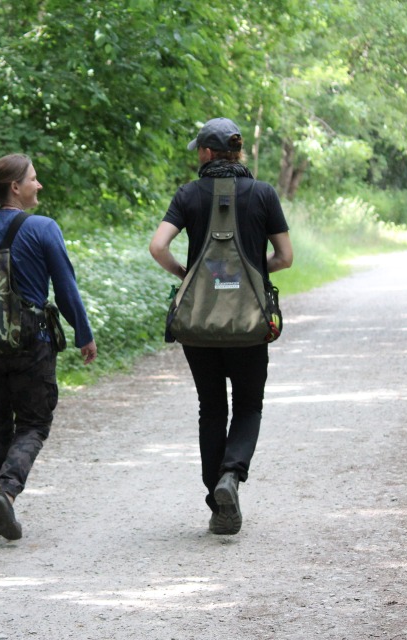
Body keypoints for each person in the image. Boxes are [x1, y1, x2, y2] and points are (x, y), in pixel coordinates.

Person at [149, 118, 293, 535]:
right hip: (249, 322)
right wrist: (253, 275)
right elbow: (284, 257)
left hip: (200, 324)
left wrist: (189, 275)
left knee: (211, 407)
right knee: (248, 405)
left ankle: (217, 496)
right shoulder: (263, 194)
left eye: (199, 149)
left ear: (209, 154)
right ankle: (232, 475)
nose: (197, 154)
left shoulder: (189, 194)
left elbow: (158, 246)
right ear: (239, 153)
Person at [0, 153, 98, 541]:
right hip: (32, 343)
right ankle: (7, 491)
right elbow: (66, 288)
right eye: (33, 179)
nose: (39, 184)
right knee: (33, 423)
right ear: (15, 187)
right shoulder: (43, 228)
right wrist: (83, 334)